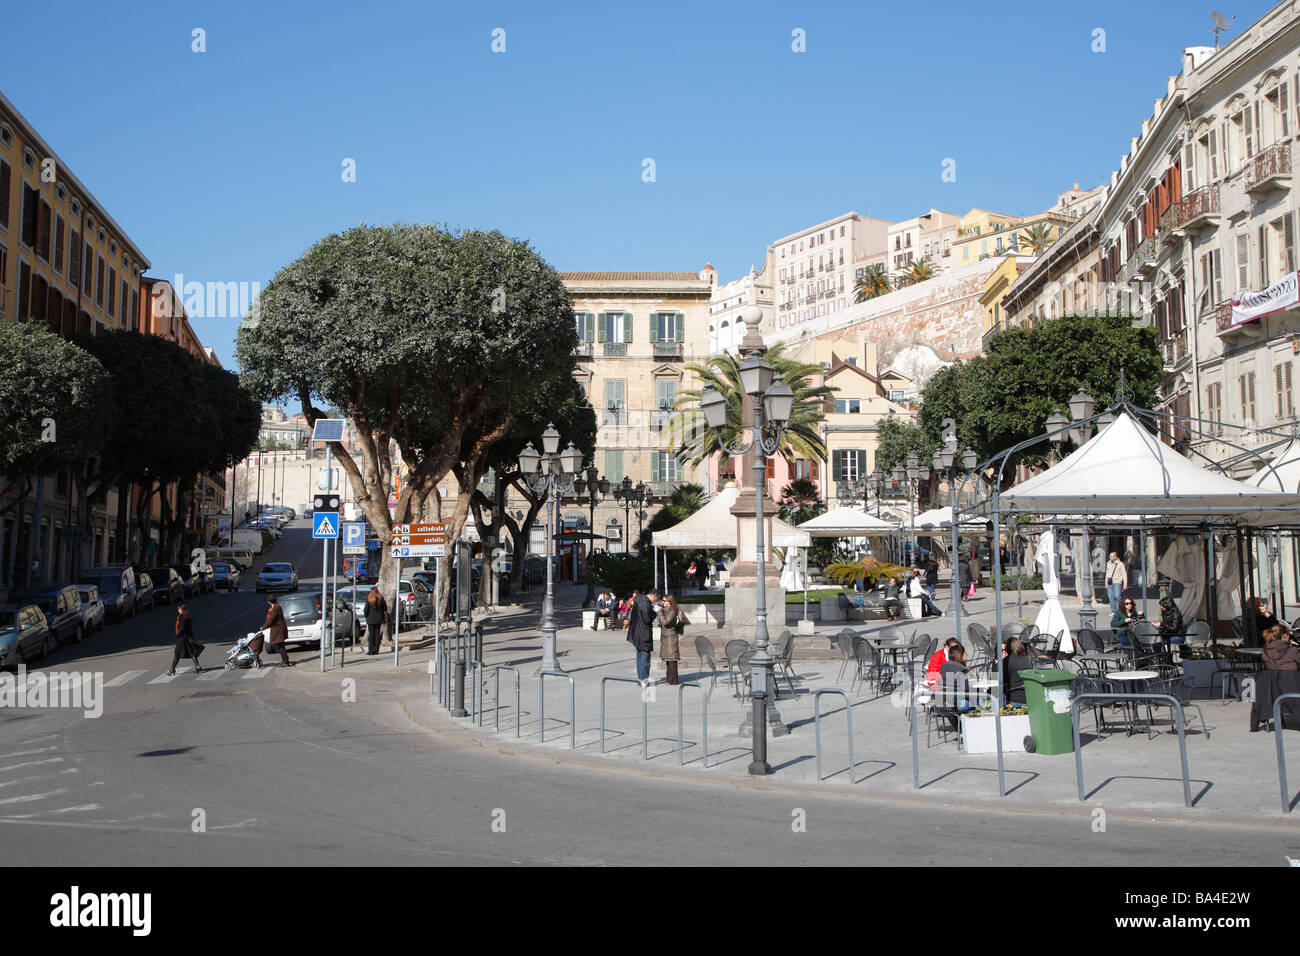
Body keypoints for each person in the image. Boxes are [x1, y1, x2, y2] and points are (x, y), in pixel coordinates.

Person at [938, 643, 975, 730]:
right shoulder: (961, 669)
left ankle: (961, 732)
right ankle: (971, 731)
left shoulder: (943, 667)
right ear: (960, 655)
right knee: (981, 701)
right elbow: (965, 692)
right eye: (964, 653)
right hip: (958, 704)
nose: (966, 655)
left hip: (943, 703)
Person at [627, 589, 660, 682]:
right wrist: (655, 611)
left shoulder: (639, 599)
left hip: (636, 633)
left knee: (639, 657)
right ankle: (644, 679)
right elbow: (647, 619)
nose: (655, 602)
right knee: (645, 658)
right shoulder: (645, 604)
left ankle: (640, 679)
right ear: (653, 596)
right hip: (643, 634)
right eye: (656, 599)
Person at [168, 604, 204, 675]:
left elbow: (182, 629)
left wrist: (177, 634)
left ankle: (172, 669)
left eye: (179, 609)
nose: (178, 610)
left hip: (182, 638)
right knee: (191, 652)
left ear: (181, 610)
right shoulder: (188, 617)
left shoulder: (182, 617)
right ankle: (197, 665)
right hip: (188, 637)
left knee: (177, 653)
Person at [257, 594, 292, 667]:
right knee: (280, 645)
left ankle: (285, 660)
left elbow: (271, 619)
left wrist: (263, 627)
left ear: (269, 602)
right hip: (278, 629)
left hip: (278, 629)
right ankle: (285, 660)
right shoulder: (276, 606)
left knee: (274, 644)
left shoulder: (275, 608)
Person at [657, 593, 683, 685]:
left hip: (670, 637)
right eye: (662, 601)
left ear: (669, 601)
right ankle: (669, 679)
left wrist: (660, 612)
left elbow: (665, 622)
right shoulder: (665, 610)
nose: (662, 602)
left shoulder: (672, 610)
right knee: (668, 660)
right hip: (665, 637)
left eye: (664, 601)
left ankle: (674, 680)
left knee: (672, 659)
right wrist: (661, 612)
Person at [1003, 637, 1034, 705]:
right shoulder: (1028, 659)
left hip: (1013, 699)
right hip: (1028, 698)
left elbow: (1003, 680)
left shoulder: (1008, 660)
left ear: (1008, 648)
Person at [364, 586, 388, 655]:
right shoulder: (381, 599)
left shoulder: (369, 599)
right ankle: (376, 650)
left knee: (371, 635)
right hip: (378, 619)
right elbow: (385, 608)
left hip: (370, 619)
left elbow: (366, 610)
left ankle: (371, 650)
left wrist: (367, 616)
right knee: (377, 634)